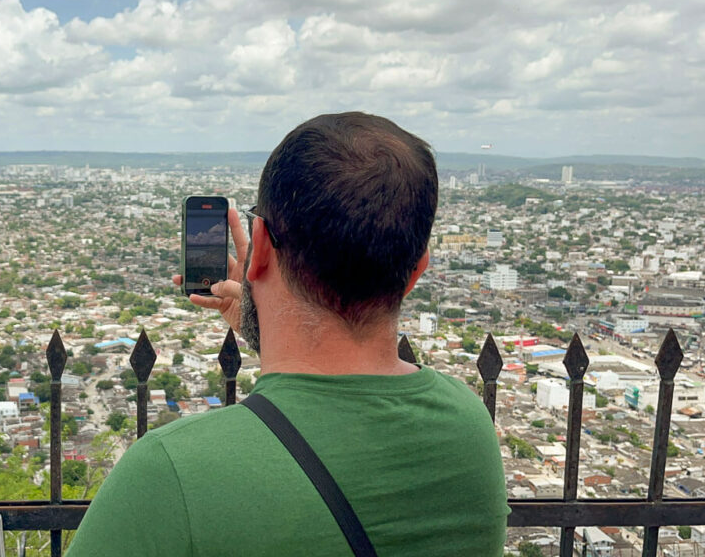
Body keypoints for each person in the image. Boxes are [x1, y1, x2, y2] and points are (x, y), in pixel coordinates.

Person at [66, 112, 508, 556]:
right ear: (416, 271)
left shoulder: (169, 473)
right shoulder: (469, 429)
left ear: (258, 248)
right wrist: (265, 325)